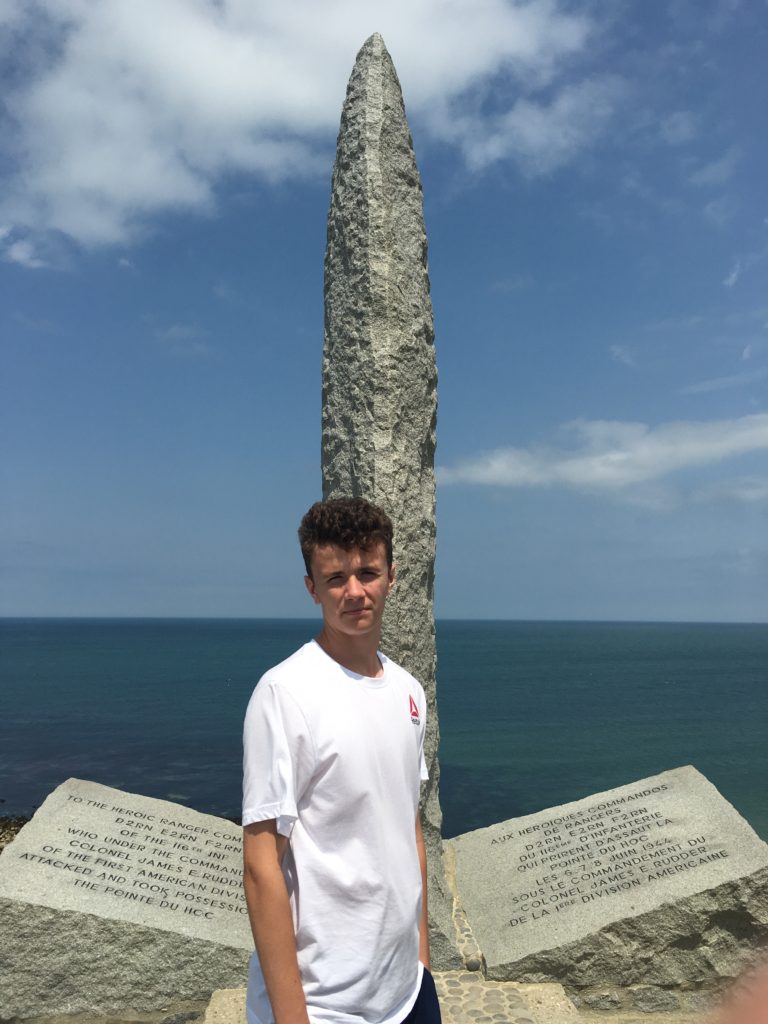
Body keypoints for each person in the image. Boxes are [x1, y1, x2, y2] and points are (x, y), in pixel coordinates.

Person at [242, 496, 440, 1024]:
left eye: (368, 572)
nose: (354, 591)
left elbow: (407, 826)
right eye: (335, 578)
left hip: (408, 991)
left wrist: (422, 960)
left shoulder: (408, 691)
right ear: (311, 587)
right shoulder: (285, 694)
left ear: (392, 576)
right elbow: (262, 865)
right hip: (326, 1006)